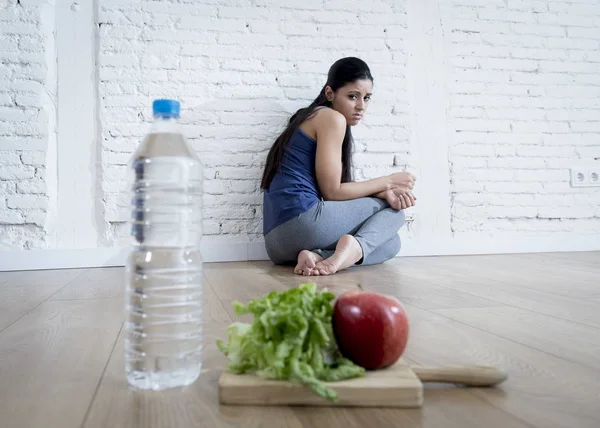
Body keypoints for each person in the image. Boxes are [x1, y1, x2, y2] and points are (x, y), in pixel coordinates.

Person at [260, 57, 417, 276]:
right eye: (353, 96)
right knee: (395, 213)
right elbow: (333, 192)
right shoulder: (331, 118)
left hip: (276, 245)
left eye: (367, 98)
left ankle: (317, 256)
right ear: (330, 93)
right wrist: (389, 182)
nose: (361, 105)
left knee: (391, 243)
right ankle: (342, 253)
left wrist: (383, 191)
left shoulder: (309, 117)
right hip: (303, 223)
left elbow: (334, 190)